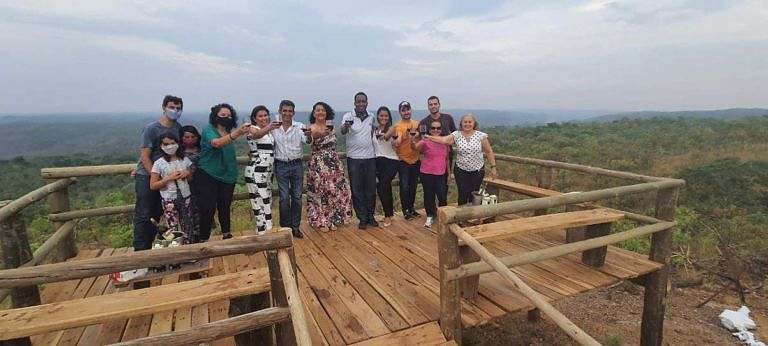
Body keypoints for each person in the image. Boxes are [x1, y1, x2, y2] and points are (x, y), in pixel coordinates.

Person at [133, 95, 184, 251]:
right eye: (172, 107)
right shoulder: (152, 128)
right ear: (163, 107)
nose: (175, 111)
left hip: (168, 179)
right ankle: (140, 253)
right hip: (148, 177)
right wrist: (157, 178)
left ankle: (157, 249)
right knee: (144, 214)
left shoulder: (178, 128)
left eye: (178, 108)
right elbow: (145, 155)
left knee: (160, 213)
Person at [195, 103, 251, 241]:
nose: (226, 117)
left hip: (227, 176)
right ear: (215, 116)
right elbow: (216, 143)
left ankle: (226, 234)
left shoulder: (227, 131)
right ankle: (203, 239)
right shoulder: (209, 130)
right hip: (208, 174)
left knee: (225, 206)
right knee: (207, 209)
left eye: (229, 115)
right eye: (223, 115)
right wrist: (238, 132)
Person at [425, 114, 498, 206]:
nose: (467, 124)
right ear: (461, 123)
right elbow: (444, 140)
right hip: (461, 170)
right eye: (465, 122)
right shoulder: (457, 135)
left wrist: (493, 167)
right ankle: (461, 217)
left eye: (470, 122)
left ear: (474, 123)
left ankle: (473, 217)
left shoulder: (481, 136)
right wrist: (428, 137)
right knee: (462, 194)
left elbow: (488, 151)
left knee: (474, 194)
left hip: (477, 170)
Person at [306, 102, 353, 232]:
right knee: (321, 192)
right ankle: (322, 220)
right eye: (318, 110)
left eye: (323, 110)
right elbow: (309, 140)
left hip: (333, 163)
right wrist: (319, 135)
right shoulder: (311, 128)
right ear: (314, 113)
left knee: (335, 191)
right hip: (318, 163)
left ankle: (332, 219)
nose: (320, 112)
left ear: (327, 113)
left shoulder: (331, 126)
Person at [149, 132, 198, 243]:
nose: (170, 146)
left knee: (188, 224)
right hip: (169, 199)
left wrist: (187, 173)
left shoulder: (184, 159)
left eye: (172, 143)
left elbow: (191, 175)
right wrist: (168, 178)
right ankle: (175, 249)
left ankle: (190, 247)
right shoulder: (159, 163)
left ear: (177, 143)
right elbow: (153, 185)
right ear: (161, 146)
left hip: (186, 197)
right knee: (172, 227)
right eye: (166, 144)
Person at [273, 100, 310, 238]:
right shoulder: (274, 126)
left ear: (293, 112)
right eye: (285, 110)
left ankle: (295, 227)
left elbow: (308, 141)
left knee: (297, 197)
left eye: (290, 111)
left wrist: (309, 134)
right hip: (281, 164)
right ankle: (285, 228)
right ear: (280, 111)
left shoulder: (299, 126)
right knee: (283, 198)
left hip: (296, 165)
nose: (287, 113)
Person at [341, 92, 378, 230]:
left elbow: (373, 130)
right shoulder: (348, 116)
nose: (361, 104)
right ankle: (362, 218)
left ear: (367, 103)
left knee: (371, 189)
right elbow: (343, 131)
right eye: (359, 101)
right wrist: (346, 125)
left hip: (370, 157)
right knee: (356, 189)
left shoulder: (371, 116)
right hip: (354, 158)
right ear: (354, 103)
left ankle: (370, 216)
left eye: (363, 101)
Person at [245, 105, 279, 235]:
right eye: (260, 116)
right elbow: (256, 135)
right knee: (259, 201)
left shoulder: (268, 132)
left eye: (265, 115)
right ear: (254, 118)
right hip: (256, 171)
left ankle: (265, 231)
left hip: (267, 172)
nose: (263, 118)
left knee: (266, 200)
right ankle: (264, 232)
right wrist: (269, 127)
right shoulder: (252, 128)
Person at [389, 101, 421, 220]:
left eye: (407, 109)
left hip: (416, 159)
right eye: (403, 110)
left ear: (411, 110)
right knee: (404, 186)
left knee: (413, 186)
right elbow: (397, 142)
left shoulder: (416, 123)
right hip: (403, 160)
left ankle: (411, 208)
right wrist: (398, 140)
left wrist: (417, 133)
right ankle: (405, 210)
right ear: (400, 112)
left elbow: (422, 136)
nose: (406, 112)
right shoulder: (398, 126)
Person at [414, 120, 450, 228]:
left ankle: (443, 216)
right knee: (429, 195)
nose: (436, 130)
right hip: (427, 172)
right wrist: (414, 138)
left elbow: (447, 159)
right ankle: (430, 215)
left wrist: (449, 173)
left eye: (438, 128)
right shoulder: (425, 140)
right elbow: (415, 148)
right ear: (430, 130)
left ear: (441, 130)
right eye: (433, 128)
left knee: (442, 196)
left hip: (441, 172)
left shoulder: (445, 142)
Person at [373, 106, 399, 227]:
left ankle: (388, 216)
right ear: (377, 116)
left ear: (389, 117)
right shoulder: (374, 129)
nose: (383, 118)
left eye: (386, 116)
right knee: (383, 187)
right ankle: (389, 214)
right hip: (378, 161)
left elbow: (389, 136)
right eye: (381, 115)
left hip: (391, 161)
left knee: (383, 185)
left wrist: (385, 136)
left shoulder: (392, 128)